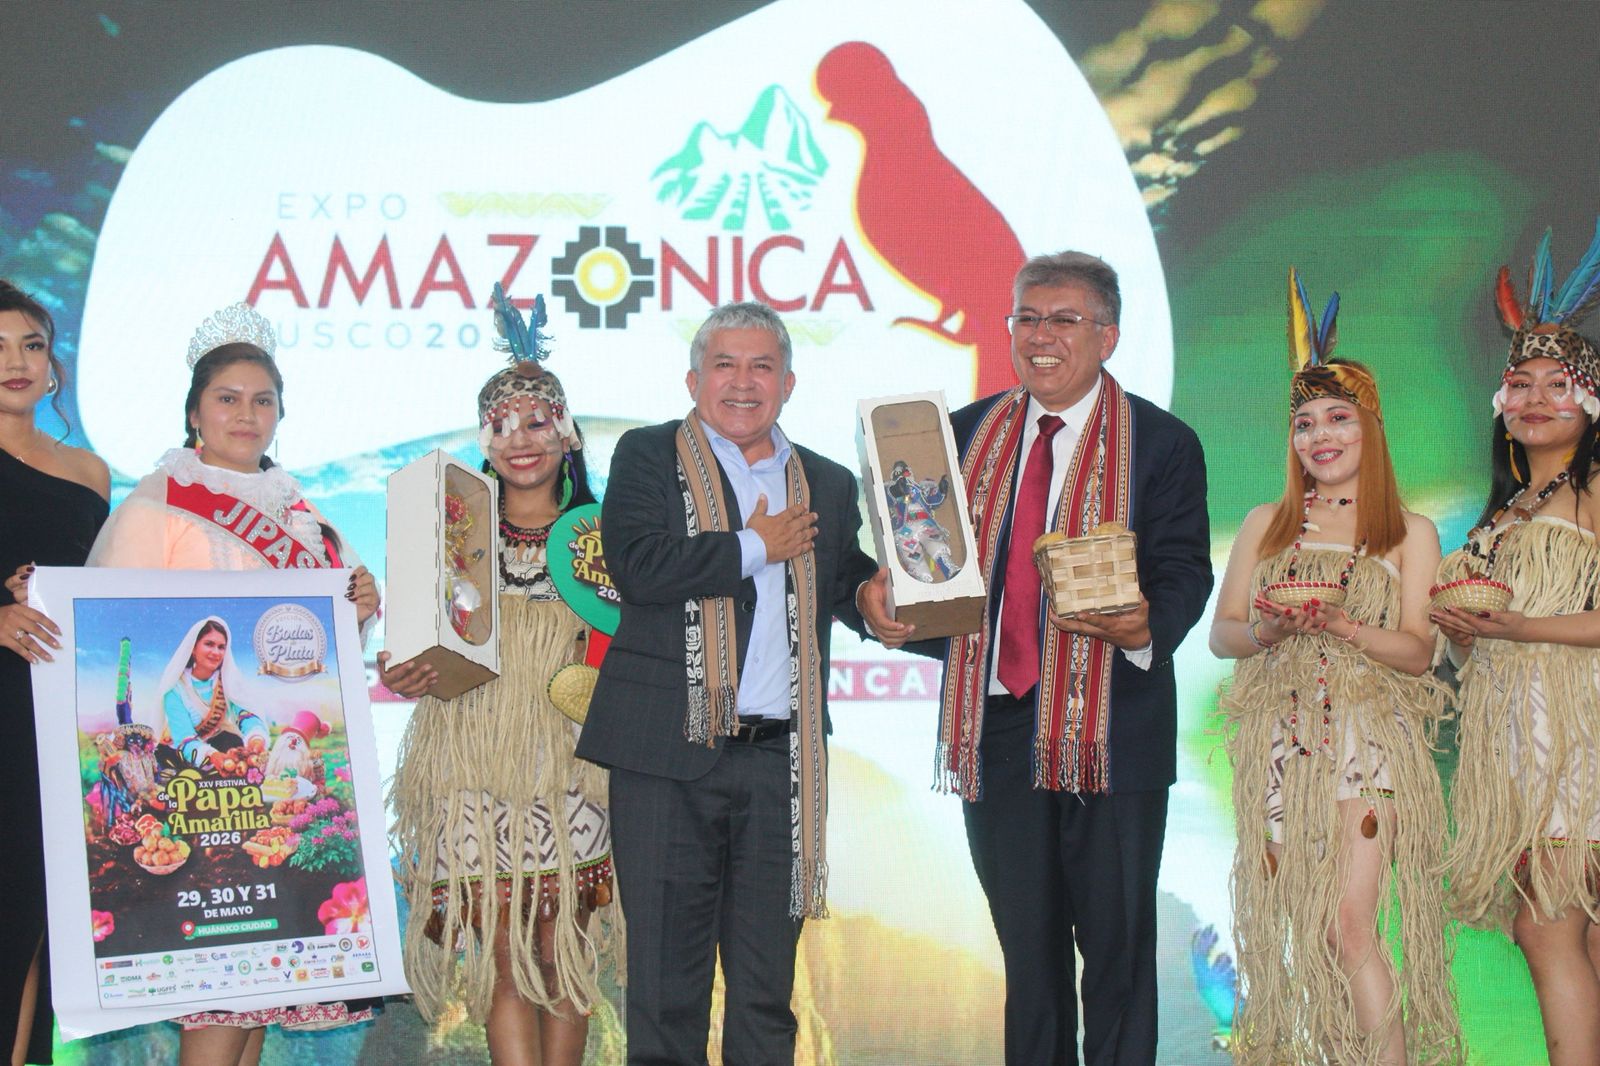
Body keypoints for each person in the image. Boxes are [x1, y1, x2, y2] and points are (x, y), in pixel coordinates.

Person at [576, 300, 906, 1064]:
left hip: (779, 763)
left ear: (789, 383)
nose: (743, 382)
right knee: (665, 987)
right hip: (666, 754)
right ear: (694, 379)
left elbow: (841, 573)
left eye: (762, 366)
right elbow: (639, 568)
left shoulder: (822, 480)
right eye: (725, 364)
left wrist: (870, 602)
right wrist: (757, 544)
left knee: (765, 990)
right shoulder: (647, 456)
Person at [927, 252, 1211, 1065]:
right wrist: (895, 601)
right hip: (997, 729)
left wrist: (1145, 625)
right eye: (1026, 317)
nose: (1040, 336)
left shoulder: (1160, 442)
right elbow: (930, 565)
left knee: (1118, 963)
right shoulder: (964, 434)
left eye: (1063, 320)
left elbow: (1187, 566)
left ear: (1109, 336)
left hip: (1112, 731)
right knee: (1031, 958)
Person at [85, 301, 379, 1066]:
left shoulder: (306, 515)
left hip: (263, 797)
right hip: (196, 806)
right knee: (216, 1003)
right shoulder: (159, 504)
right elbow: (107, 619)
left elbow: (317, 655)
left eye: (263, 400)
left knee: (250, 1004)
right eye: (227, 398)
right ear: (194, 411)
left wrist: (362, 611)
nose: (246, 415)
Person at [1210, 271, 1457, 1064]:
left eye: (1338, 418)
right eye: (1304, 422)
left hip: (1367, 743)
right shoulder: (1266, 523)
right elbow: (1224, 634)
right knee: (1312, 927)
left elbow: (1419, 652)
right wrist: (1272, 628)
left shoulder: (1408, 533)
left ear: (1370, 427)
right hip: (1281, 745)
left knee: (1351, 925)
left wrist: (1348, 626)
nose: (1320, 435)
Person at [385, 294, 621, 1066]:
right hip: (467, 763)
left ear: (569, 431)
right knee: (501, 958)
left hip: (570, 767)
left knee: (560, 953)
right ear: (480, 437)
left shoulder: (603, 536)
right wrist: (408, 668)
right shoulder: (451, 536)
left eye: (538, 419)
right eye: (501, 423)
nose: (520, 439)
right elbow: (405, 653)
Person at [1433, 225, 1600, 1066]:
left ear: (1591, 401)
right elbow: (1478, 653)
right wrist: (1465, 639)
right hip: (1518, 745)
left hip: (1581, 736)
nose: (1536, 398)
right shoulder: (1496, 519)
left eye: (1558, 384)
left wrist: (1521, 627)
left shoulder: (1596, 491)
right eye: (1520, 383)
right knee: (1581, 938)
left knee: (1546, 924)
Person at [0, 281, 109, 1066]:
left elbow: (110, 594)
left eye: (32, 346)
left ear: (53, 367)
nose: (16, 362)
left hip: (50, 719)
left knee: (35, 917)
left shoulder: (90, 473)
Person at [157, 617, 270, 771]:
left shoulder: (227, 681)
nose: (216, 652)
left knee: (233, 744)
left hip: (220, 746)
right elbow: (184, 737)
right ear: (193, 648)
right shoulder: (175, 689)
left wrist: (256, 738)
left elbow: (244, 714)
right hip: (182, 751)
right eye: (209, 644)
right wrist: (211, 755)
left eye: (221, 647)